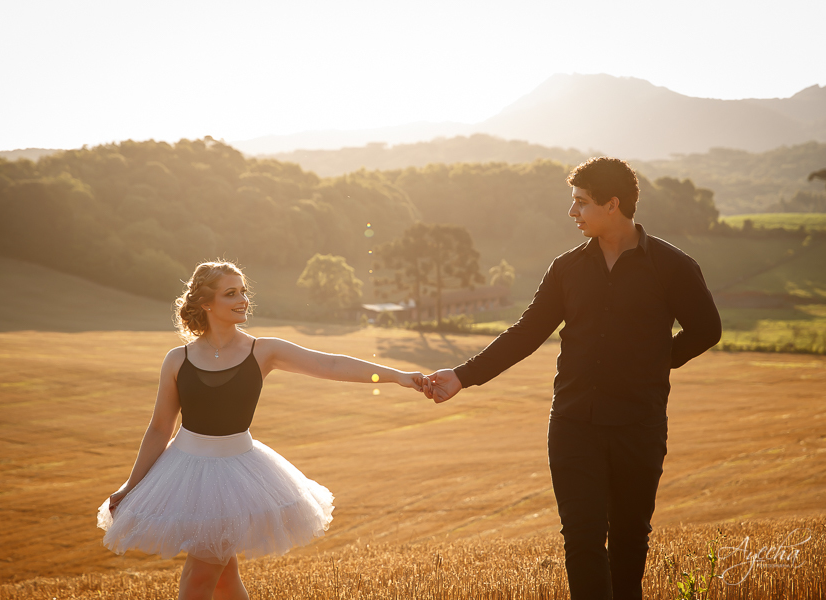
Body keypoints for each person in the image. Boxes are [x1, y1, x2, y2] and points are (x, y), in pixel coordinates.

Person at [424, 157, 721, 600]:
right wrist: (463, 377)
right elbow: (525, 334)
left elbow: (707, 329)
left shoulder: (672, 266)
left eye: (581, 203)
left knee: (628, 542)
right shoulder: (566, 269)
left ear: (613, 204)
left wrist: (657, 364)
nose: (572, 212)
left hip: (638, 427)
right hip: (573, 426)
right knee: (581, 541)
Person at [97, 260, 431, 600]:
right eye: (231, 293)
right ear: (206, 303)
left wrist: (398, 376)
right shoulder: (177, 359)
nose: (242, 299)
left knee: (198, 580)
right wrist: (130, 487)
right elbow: (159, 429)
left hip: (237, 477)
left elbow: (329, 364)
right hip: (184, 474)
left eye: (243, 291)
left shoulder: (263, 351)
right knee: (224, 582)